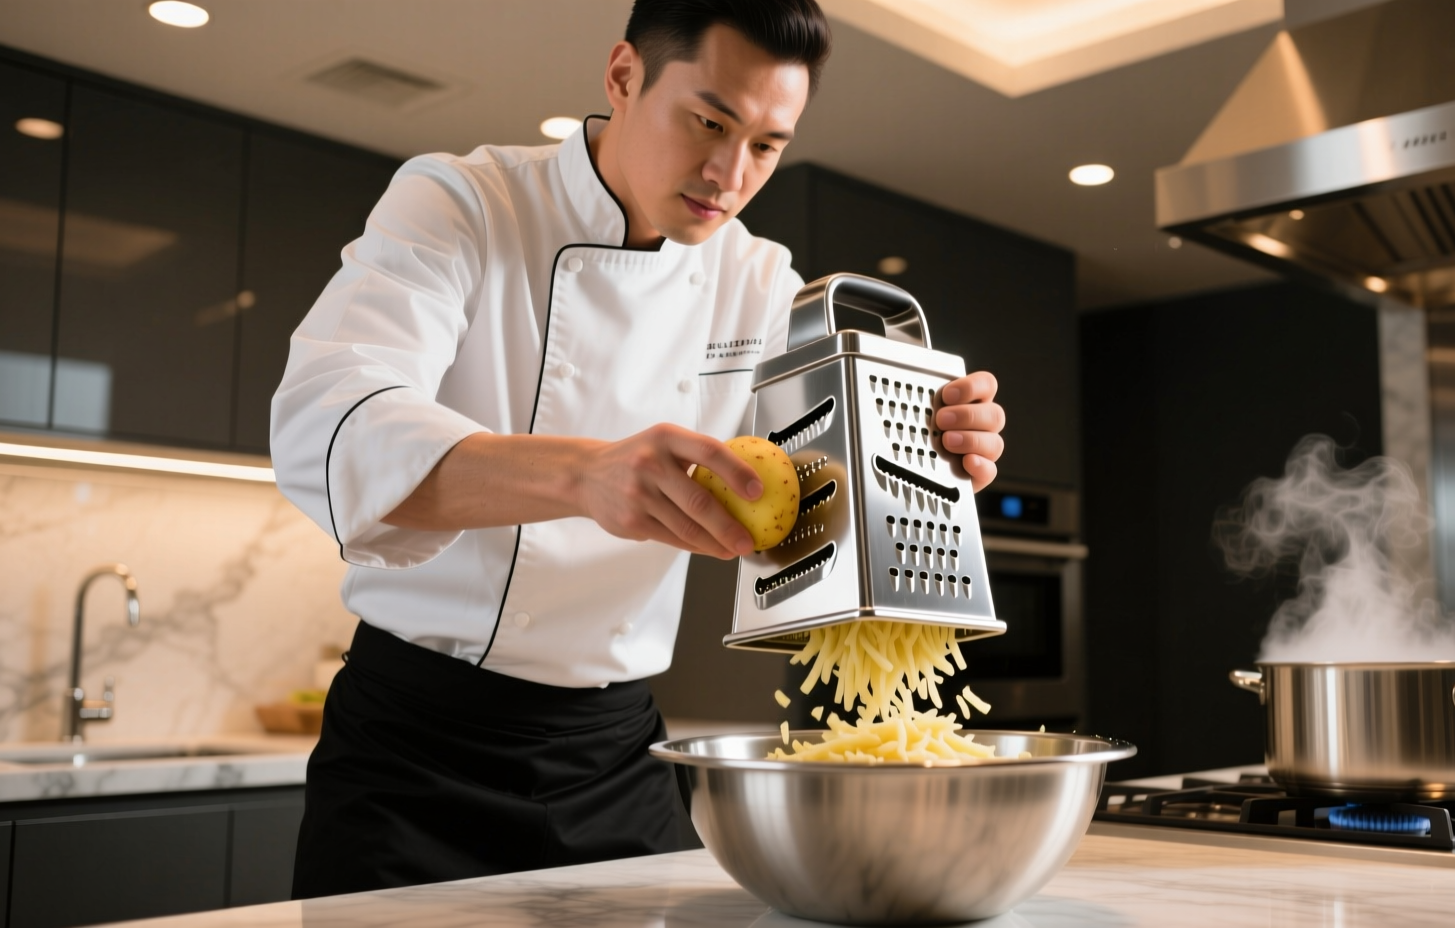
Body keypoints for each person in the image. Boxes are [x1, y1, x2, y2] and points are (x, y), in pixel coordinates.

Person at [271, 0, 1007, 898]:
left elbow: (806, 506)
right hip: (415, 755)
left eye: (768, 146)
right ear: (623, 76)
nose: (729, 173)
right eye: (709, 121)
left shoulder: (756, 279)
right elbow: (328, 423)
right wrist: (586, 476)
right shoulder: (465, 201)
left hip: (615, 765)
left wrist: (923, 448)